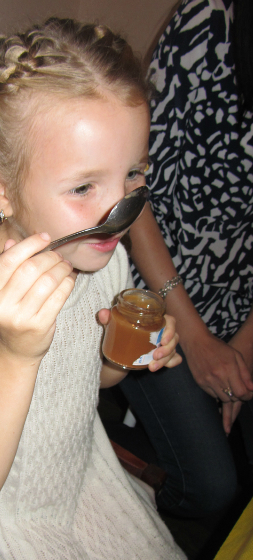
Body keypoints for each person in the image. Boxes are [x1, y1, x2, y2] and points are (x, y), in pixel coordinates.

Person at [0, 18, 195, 560]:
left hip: (79, 468)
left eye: (133, 174)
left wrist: (128, 353)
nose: (121, 209)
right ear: (1, 191)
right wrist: (14, 352)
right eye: (84, 187)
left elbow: (90, 377)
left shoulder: (103, 257)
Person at [120, 0, 253, 519]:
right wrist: (195, 340)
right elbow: (133, 191)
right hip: (155, 287)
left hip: (241, 298)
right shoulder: (208, 25)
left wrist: (243, 348)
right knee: (213, 488)